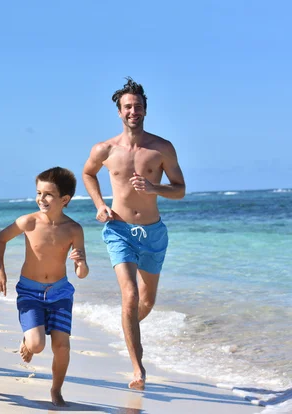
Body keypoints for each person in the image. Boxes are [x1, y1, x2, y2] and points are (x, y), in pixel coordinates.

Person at [82, 77, 186, 390]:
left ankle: (127, 328)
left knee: (147, 302)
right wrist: (100, 204)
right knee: (130, 295)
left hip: (153, 232)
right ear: (119, 112)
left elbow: (180, 190)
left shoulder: (162, 148)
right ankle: (137, 368)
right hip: (119, 230)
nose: (133, 111)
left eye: (138, 106)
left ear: (145, 110)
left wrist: (155, 187)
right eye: (127, 107)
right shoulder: (105, 149)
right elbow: (88, 173)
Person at [0, 167, 89, 407]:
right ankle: (27, 341)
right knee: (37, 344)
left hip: (60, 293)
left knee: (62, 347)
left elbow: (82, 273)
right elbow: (0, 239)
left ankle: (56, 390)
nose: (41, 199)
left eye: (48, 194)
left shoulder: (74, 229)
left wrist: (80, 262)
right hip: (29, 291)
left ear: (64, 200)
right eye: (39, 193)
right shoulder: (29, 222)